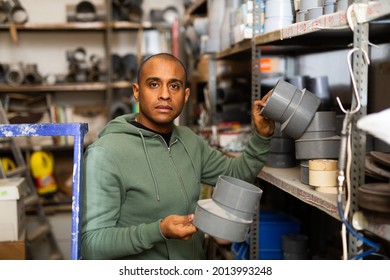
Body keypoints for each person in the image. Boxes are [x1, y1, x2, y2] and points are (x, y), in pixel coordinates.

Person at [81, 53, 275, 260]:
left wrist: (262, 136)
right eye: (154, 84)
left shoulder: (190, 141)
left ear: (186, 94)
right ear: (137, 92)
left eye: (174, 86)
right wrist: (159, 231)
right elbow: (92, 244)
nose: (165, 94)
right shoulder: (105, 154)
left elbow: (237, 175)